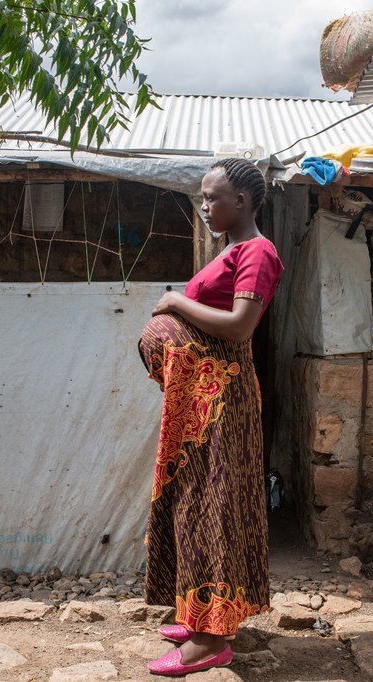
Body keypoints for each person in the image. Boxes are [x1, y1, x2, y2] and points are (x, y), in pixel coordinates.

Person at [137, 158, 284, 676]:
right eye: (202, 197)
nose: (204, 206)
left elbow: (241, 326)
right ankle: (202, 611)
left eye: (212, 197)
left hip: (223, 402)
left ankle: (212, 639)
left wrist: (174, 301)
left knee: (214, 508)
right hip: (206, 401)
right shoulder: (231, 250)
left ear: (242, 201)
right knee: (195, 503)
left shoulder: (258, 252)